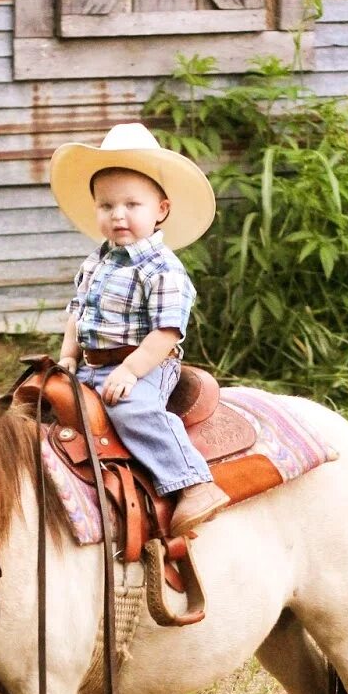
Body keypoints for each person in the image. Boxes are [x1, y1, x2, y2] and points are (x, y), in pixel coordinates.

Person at [50, 121, 229, 535]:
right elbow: (77, 313)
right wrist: (67, 357)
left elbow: (167, 333)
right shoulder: (95, 262)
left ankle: (193, 482)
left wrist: (130, 371)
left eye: (132, 204)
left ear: (160, 209)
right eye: (107, 205)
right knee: (45, 400)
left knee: (130, 410)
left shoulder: (162, 268)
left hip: (148, 364)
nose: (118, 215)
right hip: (93, 363)